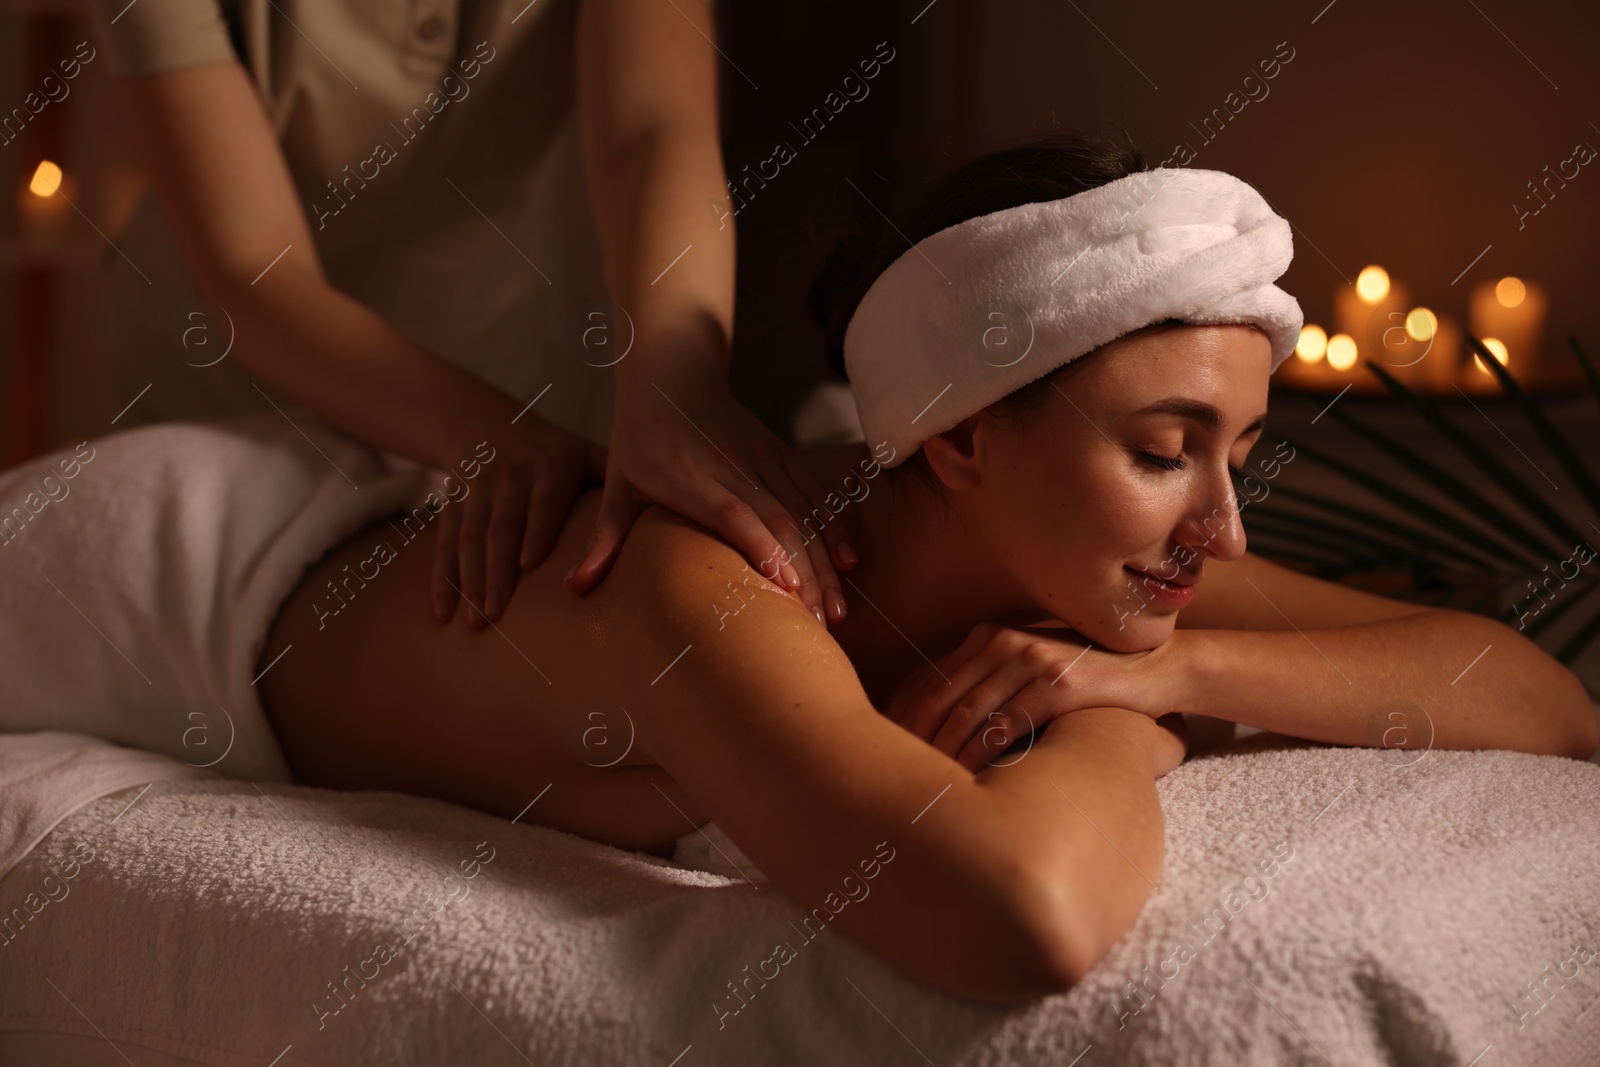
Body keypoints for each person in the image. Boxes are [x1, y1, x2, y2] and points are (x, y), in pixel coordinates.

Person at [252, 132, 1598, 1003]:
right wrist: (1130, 722)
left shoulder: (1083, 561)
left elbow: (1545, 703)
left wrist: (1179, 658)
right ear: (958, 440)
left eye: (1237, 451)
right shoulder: (717, 583)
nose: (1225, 528)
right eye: (1163, 448)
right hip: (209, 566)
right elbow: (1025, 916)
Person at [86, 0, 853, 636]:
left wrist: (675, 386)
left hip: (524, 377)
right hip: (227, 410)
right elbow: (256, 272)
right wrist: (488, 435)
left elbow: (649, 127)